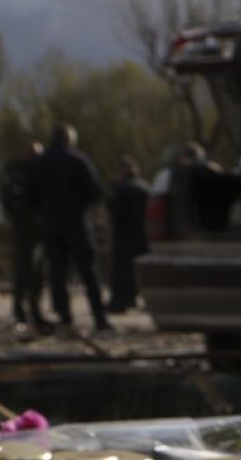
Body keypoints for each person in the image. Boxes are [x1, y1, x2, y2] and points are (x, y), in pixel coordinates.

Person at [27, 123, 112, 334]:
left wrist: (44, 211)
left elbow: (29, 196)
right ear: (69, 139)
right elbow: (95, 191)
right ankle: (99, 318)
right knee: (89, 272)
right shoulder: (78, 160)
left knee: (58, 274)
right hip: (78, 223)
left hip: (51, 225)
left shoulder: (39, 163)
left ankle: (65, 319)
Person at [0, 141, 51, 334]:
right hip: (24, 231)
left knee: (38, 274)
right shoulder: (17, 174)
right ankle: (20, 312)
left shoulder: (38, 174)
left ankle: (35, 312)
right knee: (23, 272)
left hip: (38, 231)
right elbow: (12, 202)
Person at [107, 157, 148, 313]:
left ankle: (120, 302)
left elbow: (116, 212)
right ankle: (133, 298)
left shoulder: (121, 188)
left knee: (122, 270)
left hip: (124, 235)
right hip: (142, 235)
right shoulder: (144, 187)